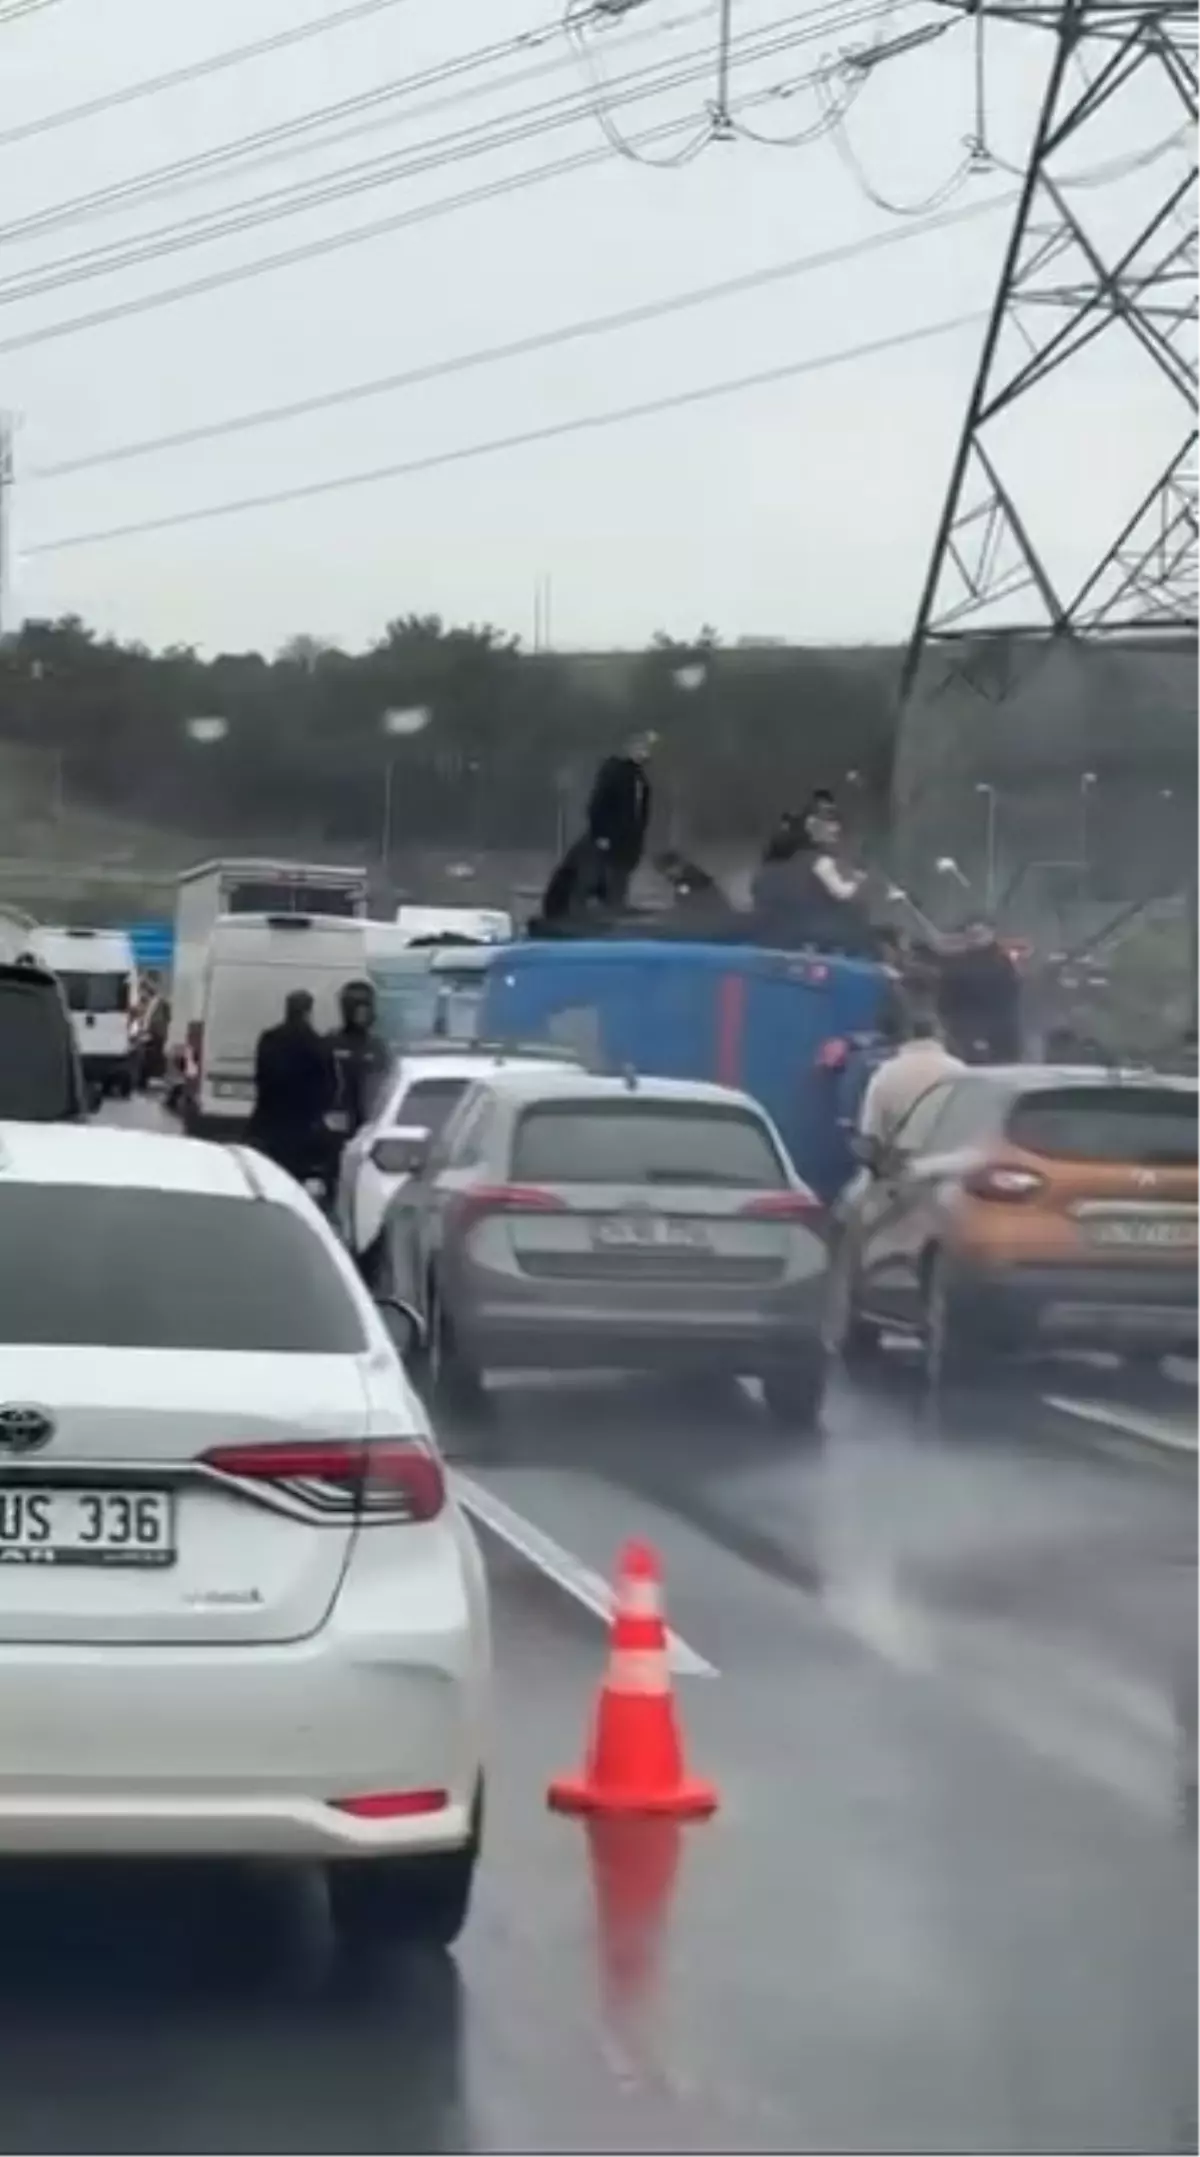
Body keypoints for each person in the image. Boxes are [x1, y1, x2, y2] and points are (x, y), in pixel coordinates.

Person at [248, 988, 338, 1184]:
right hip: (303, 1125)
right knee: (296, 1177)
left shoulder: (269, 1039)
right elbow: (329, 1085)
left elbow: (261, 1077)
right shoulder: (317, 1044)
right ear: (308, 1012)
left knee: (269, 1175)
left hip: (270, 1121)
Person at [857, 1015, 964, 1149]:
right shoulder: (959, 1071)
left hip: (902, 1157)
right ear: (939, 1035)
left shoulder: (885, 1073)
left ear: (905, 1037)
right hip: (949, 1155)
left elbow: (871, 1129)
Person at [586, 730, 657, 909]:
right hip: (612, 837)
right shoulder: (615, 772)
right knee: (610, 875)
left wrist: (639, 834)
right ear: (630, 749)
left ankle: (616, 906)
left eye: (646, 748)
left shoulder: (640, 778)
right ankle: (607, 908)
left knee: (622, 875)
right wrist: (601, 834)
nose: (644, 752)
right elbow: (598, 804)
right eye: (640, 748)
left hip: (630, 840)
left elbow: (640, 810)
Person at [937, 918, 1022, 1063]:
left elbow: (1012, 994)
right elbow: (946, 999)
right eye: (972, 934)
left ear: (991, 934)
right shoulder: (956, 964)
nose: (975, 938)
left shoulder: (1002, 963)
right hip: (969, 1029)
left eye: (979, 934)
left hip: (996, 1030)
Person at [326, 978, 389, 1138]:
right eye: (358, 1008)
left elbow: (385, 1082)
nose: (363, 1014)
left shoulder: (376, 1046)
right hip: (337, 1115)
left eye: (366, 1008)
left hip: (369, 1119)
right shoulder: (331, 1042)